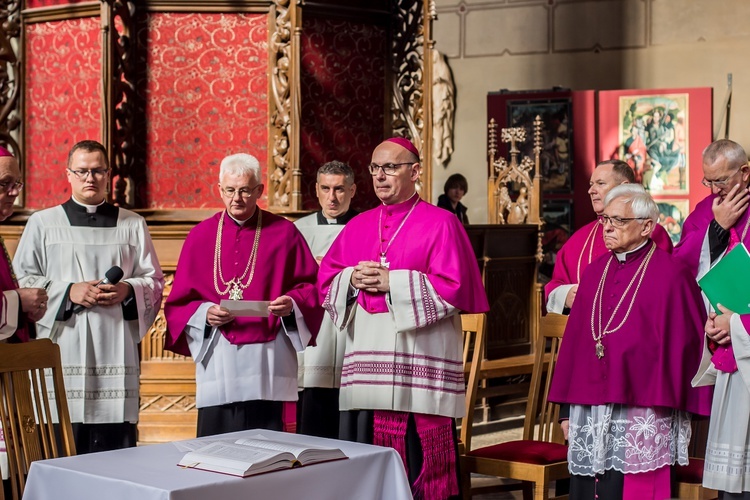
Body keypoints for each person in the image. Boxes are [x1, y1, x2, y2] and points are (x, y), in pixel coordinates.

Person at [318, 137, 489, 500]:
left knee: (417, 461)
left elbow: (456, 288)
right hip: (367, 370)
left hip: (417, 370)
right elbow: (327, 281)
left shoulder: (443, 223)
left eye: (390, 167)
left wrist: (391, 282)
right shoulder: (359, 225)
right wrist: (351, 279)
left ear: (415, 171)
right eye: (375, 168)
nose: (380, 176)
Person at [548, 184, 711, 500]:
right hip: (590, 407)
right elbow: (575, 350)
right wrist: (567, 412)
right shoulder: (594, 273)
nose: (607, 227)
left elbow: (685, 351)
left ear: (647, 226)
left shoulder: (672, 276)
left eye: (619, 220)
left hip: (643, 410)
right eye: (606, 219)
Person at [13, 140, 164, 454]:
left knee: (114, 452)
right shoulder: (43, 223)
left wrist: (127, 290)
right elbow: (22, 282)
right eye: (81, 171)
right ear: (68, 175)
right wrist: (69, 291)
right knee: (59, 447)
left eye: (97, 171)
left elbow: (154, 281)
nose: (89, 178)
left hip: (115, 345)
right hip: (63, 347)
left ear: (108, 174)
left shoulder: (132, 224)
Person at [164, 153, 322, 437]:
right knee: (217, 437)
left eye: (245, 190)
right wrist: (204, 313)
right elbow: (179, 301)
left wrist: (293, 304)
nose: (236, 198)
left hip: (269, 352)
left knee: (266, 439)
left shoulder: (285, 233)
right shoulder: (200, 236)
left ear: (260, 190)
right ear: (219, 189)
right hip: (219, 352)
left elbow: (310, 287)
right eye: (230, 190)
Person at [673, 139, 750, 498]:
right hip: (729, 347)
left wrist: (737, 322)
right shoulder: (707, 211)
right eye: (709, 182)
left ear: (745, 173)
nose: (715, 190)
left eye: (721, 181)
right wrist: (717, 229)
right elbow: (682, 269)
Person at [545, 159, 673, 314]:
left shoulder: (651, 233)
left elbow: (663, 288)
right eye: (591, 184)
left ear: (624, 187)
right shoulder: (578, 239)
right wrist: (566, 295)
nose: (591, 190)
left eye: (600, 183)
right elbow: (554, 284)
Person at [294, 160, 357, 438]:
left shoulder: (365, 226)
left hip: (351, 326)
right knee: (313, 407)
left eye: (340, 189)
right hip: (315, 329)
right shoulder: (298, 229)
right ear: (317, 190)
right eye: (326, 189)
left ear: (353, 190)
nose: (332, 197)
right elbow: (288, 279)